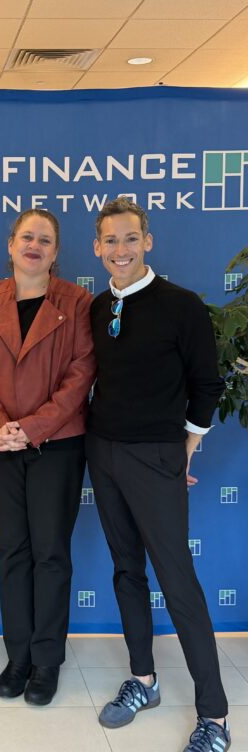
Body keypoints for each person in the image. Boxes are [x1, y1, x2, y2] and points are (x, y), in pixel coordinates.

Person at [88, 198, 230, 752]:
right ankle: (143, 680)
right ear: (97, 248)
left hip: (157, 456)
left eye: (130, 238)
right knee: (127, 571)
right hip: (103, 452)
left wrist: (187, 447)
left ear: (148, 241)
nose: (120, 250)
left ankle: (214, 716)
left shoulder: (182, 305)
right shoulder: (99, 307)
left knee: (178, 583)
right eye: (110, 241)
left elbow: (207, 383)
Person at [0, 208, 95, 705]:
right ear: (10, 244)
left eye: (45, 239)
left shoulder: (77, 301)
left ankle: (47, 660)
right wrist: (1, 426)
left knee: (50, 553)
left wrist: (32, 428)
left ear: (56, 252)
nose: (34, 245)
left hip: (56, 445)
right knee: (14, 550)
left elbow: (81, 373)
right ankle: (18, 656)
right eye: (26, 237)